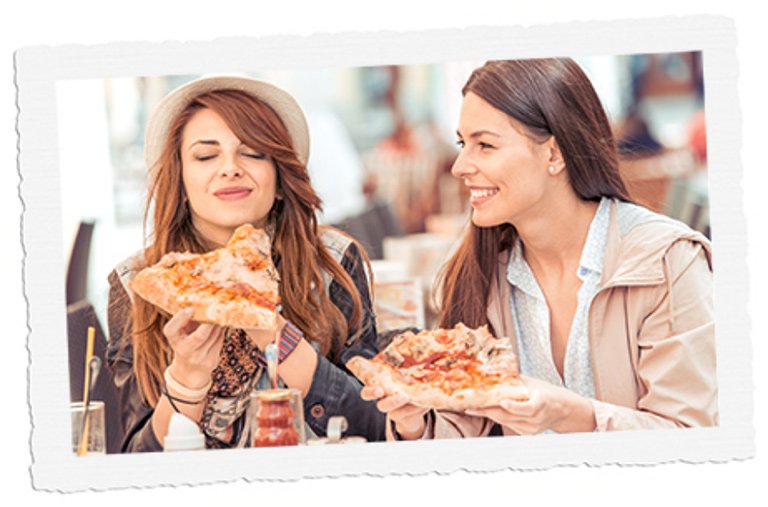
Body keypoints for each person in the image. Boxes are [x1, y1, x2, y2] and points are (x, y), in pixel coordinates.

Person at [362, 58, 717, 439]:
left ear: (554, 154)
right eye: (463, 144)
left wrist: (572, 416)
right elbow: (468, 427)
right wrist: (415, 424)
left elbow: (691, 437)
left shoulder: (668, 262)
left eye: (485, 145)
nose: (460, 166)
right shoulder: (481, 272)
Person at [106, 75, 386, 452]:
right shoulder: (138, 283)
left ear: (281, 176)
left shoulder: (334, 262)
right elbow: (133, 464)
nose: (230, 168)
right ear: (181, 180)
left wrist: (273, 331)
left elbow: (377, 426)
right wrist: (188, 375)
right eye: (206, 156)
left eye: (253, 153)